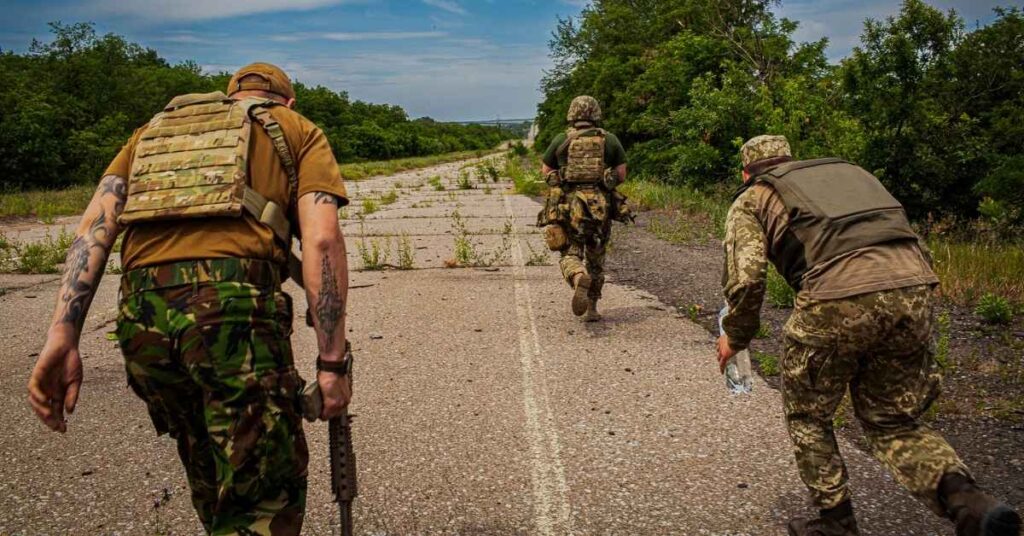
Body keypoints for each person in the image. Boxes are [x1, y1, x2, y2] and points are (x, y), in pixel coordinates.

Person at [27, 62, 354, 535]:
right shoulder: (295, 128)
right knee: (261, 496)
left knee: (207, 467)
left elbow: (92, 232)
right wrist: (332, 364)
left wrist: (63, 334)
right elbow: (322, 241)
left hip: (142, 318)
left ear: (229, 95)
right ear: (287, 100)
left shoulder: (152, 130)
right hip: (231, 313)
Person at [716, 134, 1021, 536]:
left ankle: (835, 523)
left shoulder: (753, 197)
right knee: (892, 417)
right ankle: (971, 505)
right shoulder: (851, 177)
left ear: (746, 171)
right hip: (914, 290)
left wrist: (735, 337)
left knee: (810, 416)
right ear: (791, 159)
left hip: (835, 297)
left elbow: (747, 279)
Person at [539, 95, 629, 321]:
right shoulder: (610, 140)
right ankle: (592, 308)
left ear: (572, 114)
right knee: (596, 256)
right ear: (595, 113)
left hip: (569, 207)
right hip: (600, 207)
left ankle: (578, 276)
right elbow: (621, 174)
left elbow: (546, 171)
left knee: (569, 251)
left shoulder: (561, 139)